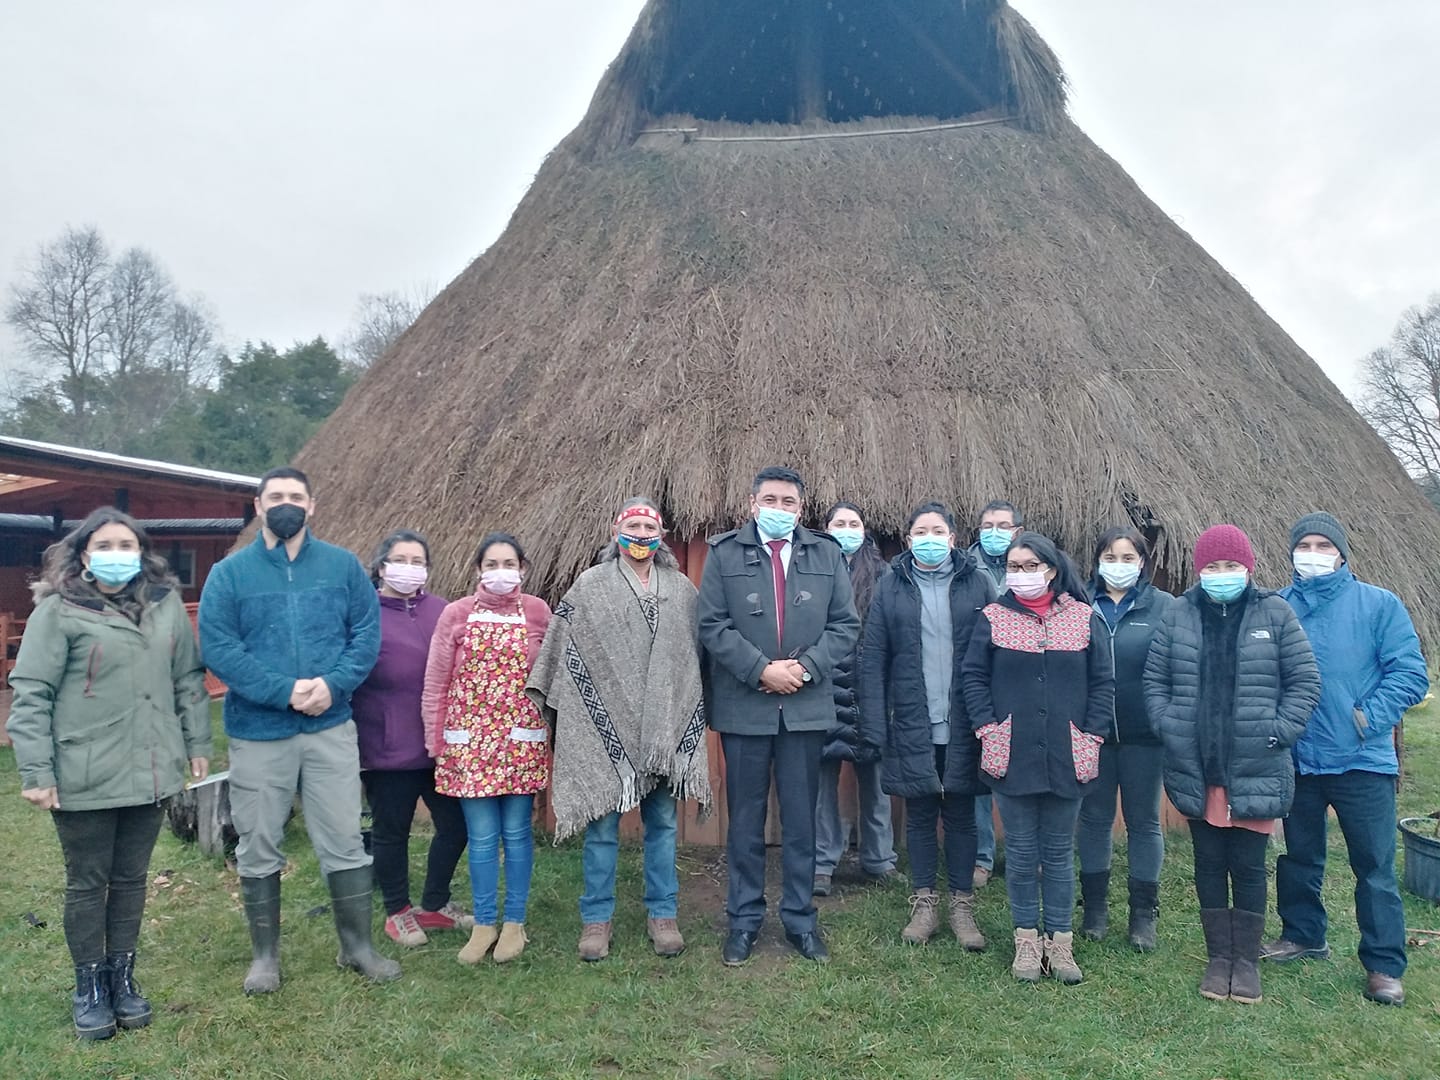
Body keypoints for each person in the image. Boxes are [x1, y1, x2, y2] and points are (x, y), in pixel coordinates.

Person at [9, 508, 211, 1039]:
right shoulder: (59, 611)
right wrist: (36, 770)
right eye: (106, 544)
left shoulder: (166, 608)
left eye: (128, 545)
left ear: (142, 553)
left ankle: (122, 978)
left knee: (131, 879)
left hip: (150, 767)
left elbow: (187, 678)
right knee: (88, 881)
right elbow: (32, 693)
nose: (118, 554)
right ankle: (89, 988)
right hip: (83, 769)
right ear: (83, 554)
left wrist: (196, 743)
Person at [199, 467, 395, 994]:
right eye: (276, 496)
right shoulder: (229, 574)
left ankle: (356, 946)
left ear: (313, 506)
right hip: (259, 730)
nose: (286, 504)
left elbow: (366, 635)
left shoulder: (343, 567)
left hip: (330, 726)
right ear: (258, 505)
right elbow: (220, 647)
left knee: (344, 839)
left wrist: (333, 685)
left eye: (296, 497)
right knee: (259, 841)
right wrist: (283, 690)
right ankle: (265, 956)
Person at [528, 498, 712, 962]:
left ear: (662, 534)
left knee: (663, 825)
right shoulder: (590, 587)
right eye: (633, 526)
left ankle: (663, 914)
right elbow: (565, 651)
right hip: (605, 731)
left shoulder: (682, 590)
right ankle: (596, 919)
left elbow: (692, 663)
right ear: (616, 530)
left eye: (649, 528)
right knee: (603, 829)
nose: (641, 535)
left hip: (662, 734)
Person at [1144, 524, 1320, 1005]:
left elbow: (1304, 682)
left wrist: (1278, 731)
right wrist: (1168, 725)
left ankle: (1244, 962)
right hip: (1197, 766)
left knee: (1247, 865)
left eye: (1231, 566)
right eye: (1212, 567)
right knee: (1207, 862)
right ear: (1200, 571)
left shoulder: (1276, 614)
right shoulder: (1179, 615)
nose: (1222, 575)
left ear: (1249, 568)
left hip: (1255, 763)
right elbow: (1155, 680)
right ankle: (1217, 956)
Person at [698, 466, 860, 965]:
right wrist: (761, 670)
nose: (780, 509)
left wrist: (805, 670)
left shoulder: (826, 554)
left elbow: (845, 625)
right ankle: (743, 921)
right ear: (752, 504)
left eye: (789, 502)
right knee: (745, 820)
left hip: (805, 709)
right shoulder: (724, 554)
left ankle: (799, 920)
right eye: (771, 500)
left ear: (800, 509)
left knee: (800, 821)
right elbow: (712, 624)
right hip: (746, 706)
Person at [1267, 513, 1427, 1007]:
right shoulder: (1277, 606)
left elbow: (1410, 672)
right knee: (1299, 855)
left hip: (1362, 759)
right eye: (1303, 545)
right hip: (1299, 757)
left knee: (1375, 865)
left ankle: (1383, 965)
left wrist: (1367, 719)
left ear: (1340, 553)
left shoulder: (1378, 605)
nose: (1311, 552)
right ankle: (1303, 933)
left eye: (1322, 545)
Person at [961, 531, 1113, 984]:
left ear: (1051, 569)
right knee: (1023, 854)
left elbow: (1103, 683)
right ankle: (1026, 940)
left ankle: (1060, 943)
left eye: (1032, 566)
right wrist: (988, 729)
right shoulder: (993, 618)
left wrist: (1093, 734)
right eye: (1014, 566)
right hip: (1012, 751)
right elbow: (973, 678)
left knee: (1060, 854)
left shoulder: (1084, 619)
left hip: (1070, 751)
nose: (1022, 574)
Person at [859, 502, 994, 950]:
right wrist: (875, 726)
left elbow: (996, 653)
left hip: (965, 722)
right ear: (910, 538)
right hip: (912, 720)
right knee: (918, 814)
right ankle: (924, 904)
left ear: (953, 539)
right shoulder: (891, 586)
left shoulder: (978, 582)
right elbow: (873, 657)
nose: (930, 538)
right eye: (922, 531)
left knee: (960, 814)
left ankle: (961, 905)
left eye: (938, 531)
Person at [423, 532, 552, 965]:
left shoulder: (538, 612)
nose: (501, 572)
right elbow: (436, 682)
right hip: (469, 742)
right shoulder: (455, 615)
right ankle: (483, 924)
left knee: (516, 834)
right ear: (478, 570)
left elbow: (551, 679)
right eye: (491, 565)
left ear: (523, 569)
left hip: (520, 737)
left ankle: (514, 923)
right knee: (480, 838)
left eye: (509, 564)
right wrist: (435, 738)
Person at [351, 529, 471, 948]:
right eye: (400, 559)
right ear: (382, 567)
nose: (409, 567)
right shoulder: (363, 614)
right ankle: (397, 911)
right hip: (387, 746)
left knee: (456, 826)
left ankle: (435, 903)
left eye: (418, 560)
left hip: (439, 745)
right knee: (392, 831)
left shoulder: (444, 611)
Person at [1076, 527, 1174, 951]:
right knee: (1094, 821)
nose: (1119, 565)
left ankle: (1142, 915)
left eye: (1128, 557)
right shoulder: (1078, 604)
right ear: (1097, 562)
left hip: (1144, 736)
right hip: (1092, 733)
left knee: (1144, 822)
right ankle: (1094, 911)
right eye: (1110, 557)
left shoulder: (1165, 608)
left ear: (1142, 563)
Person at [813, 501, 896, 897]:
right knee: (820, 785)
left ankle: (879, 859)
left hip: (870, 691)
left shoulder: (883, 575)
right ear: (826, 529)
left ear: (866, 530)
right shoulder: (810, 569)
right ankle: (822, 862)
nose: (847, 529)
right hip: (820, 689)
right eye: (839, 523)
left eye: (854, 523)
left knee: (876, 781)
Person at [965, 498, 1022, 888]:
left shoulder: (1032, 563)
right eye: (988, 526)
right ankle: (982, 857)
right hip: (979, 677)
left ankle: (1022, 854)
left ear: (1017, 530)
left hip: (1022, 683)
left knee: (1019, 776)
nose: (994, 532)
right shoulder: (964, 568)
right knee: (980, 777)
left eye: (1003, 525)